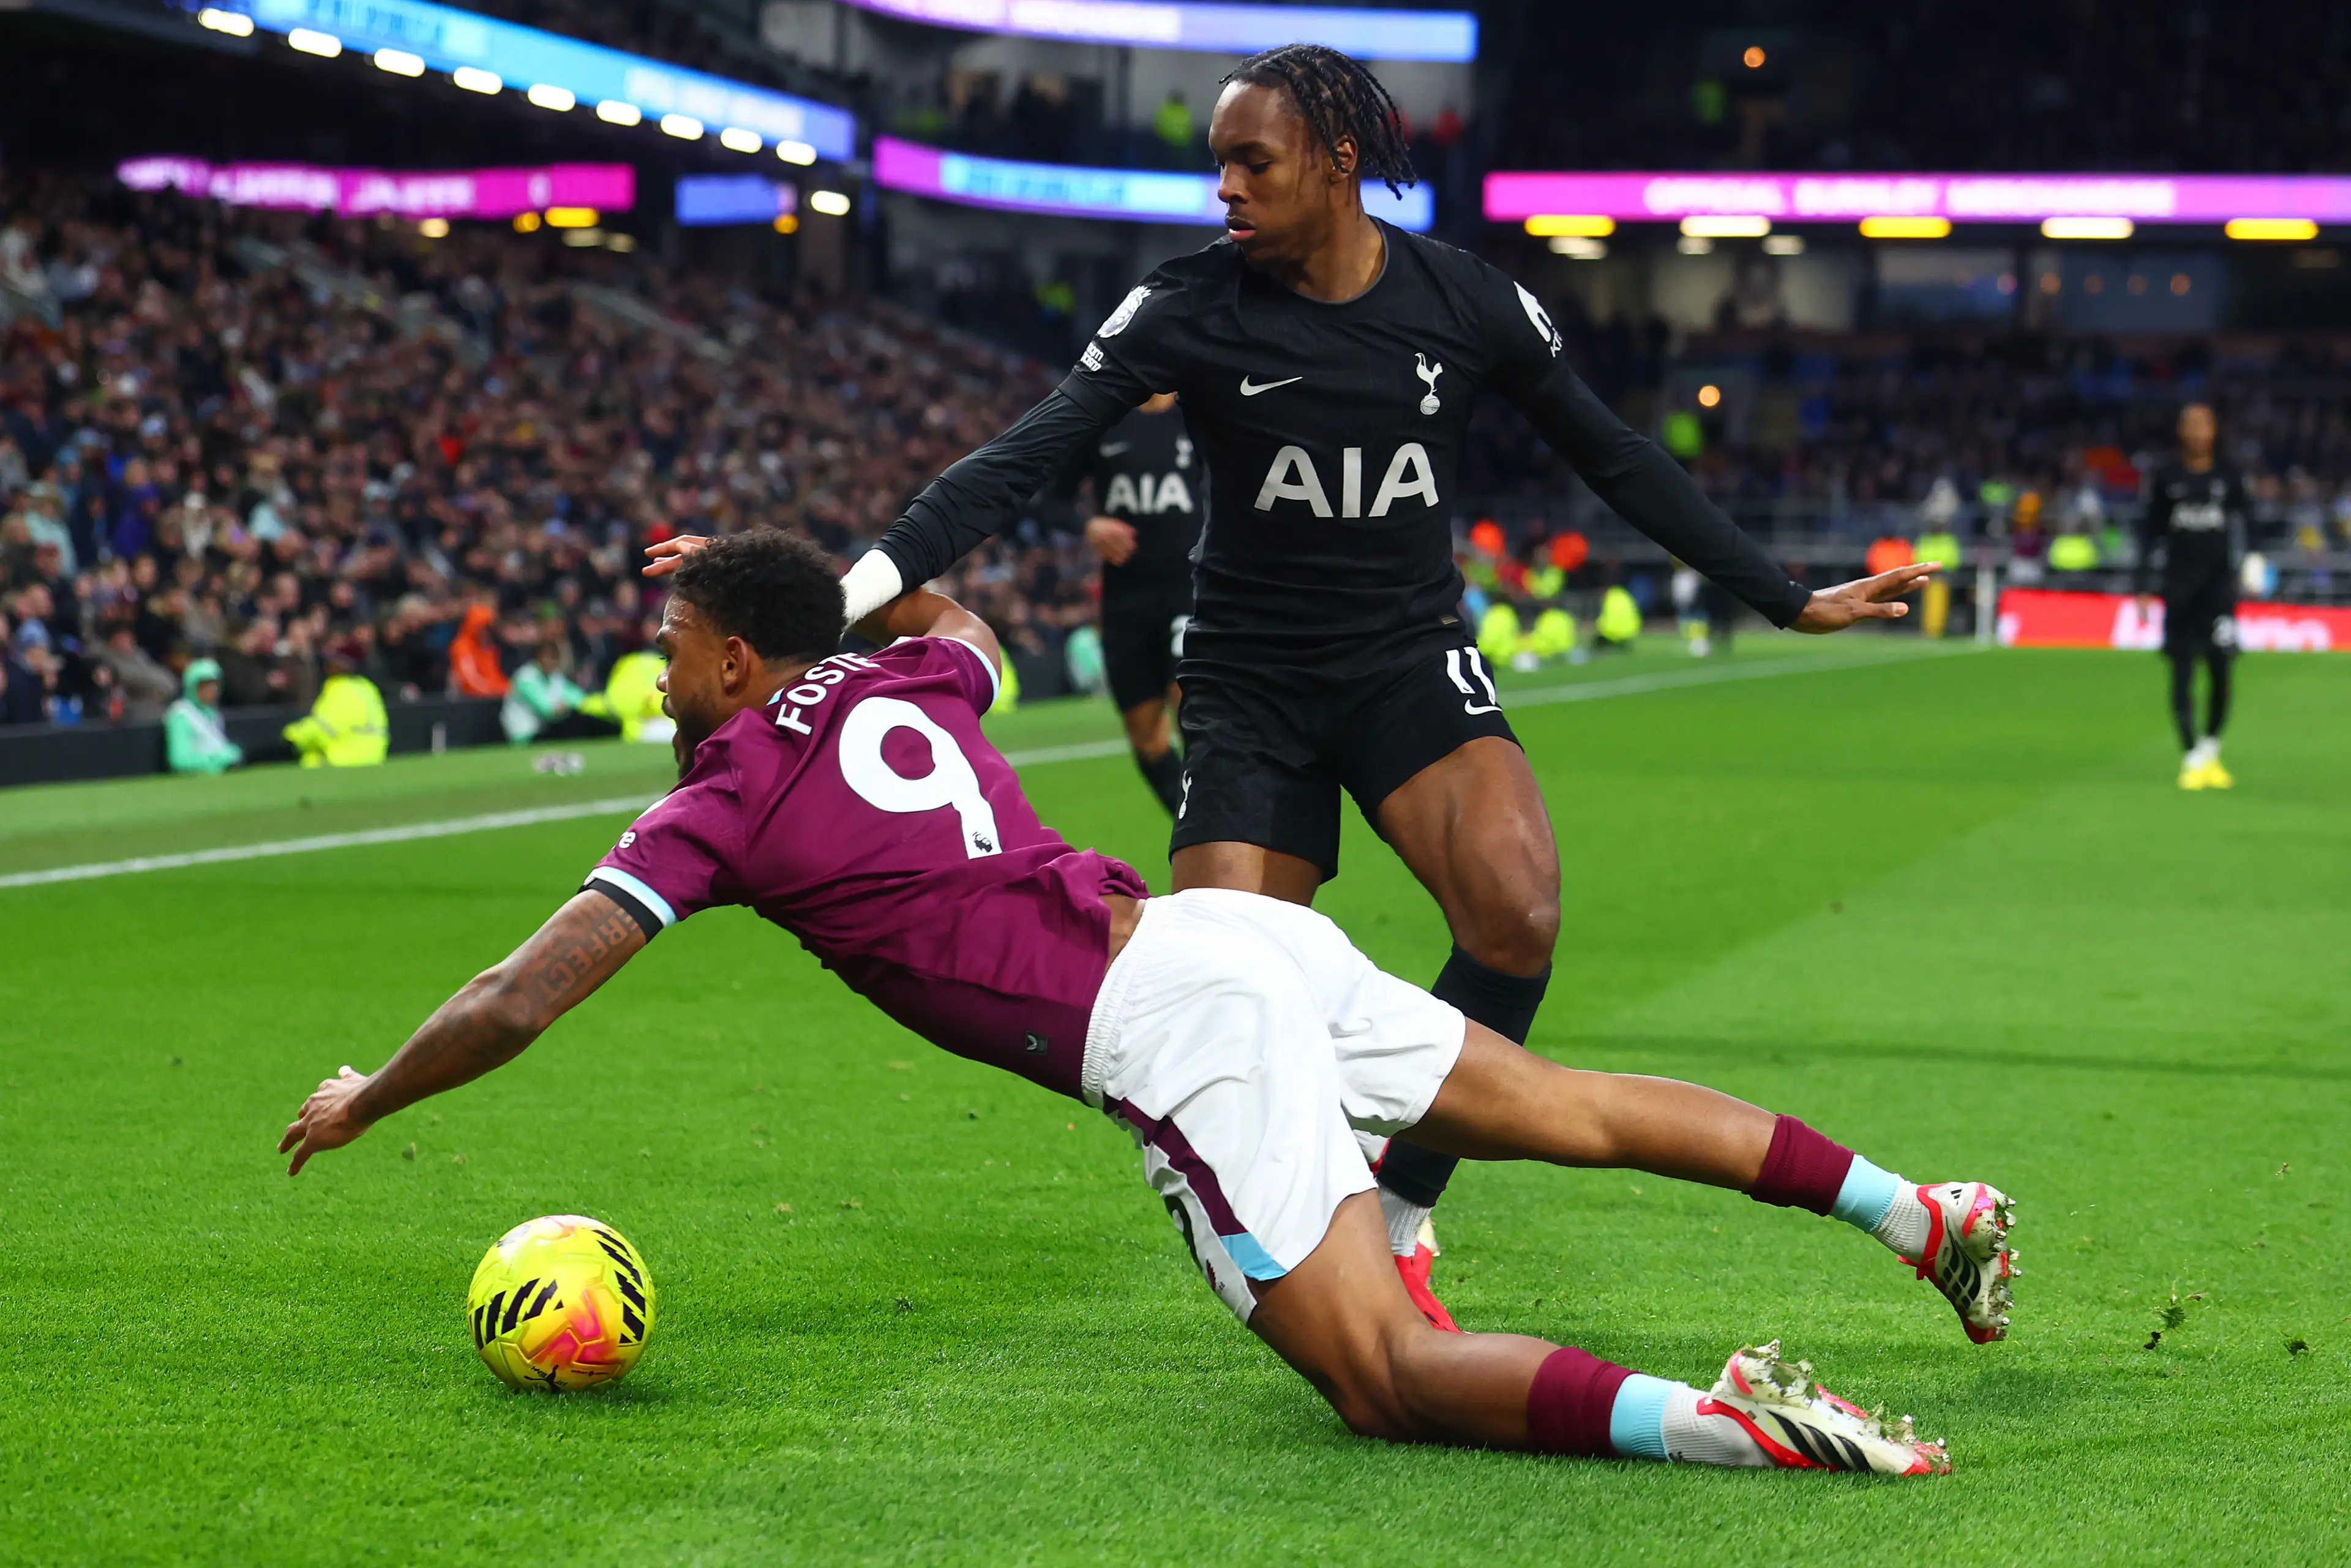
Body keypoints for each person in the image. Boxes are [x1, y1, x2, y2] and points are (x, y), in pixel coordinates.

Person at [664, 45, 1938, 1327]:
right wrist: (837, 598)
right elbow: (1021, 457)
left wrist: (1782, 592)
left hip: (1404, 657)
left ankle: (1400, 1213)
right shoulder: (1184, 307)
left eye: (1251, 162)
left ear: (1339, 161)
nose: (1225, 187)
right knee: (1229, 999)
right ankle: (1305, 1254)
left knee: (1519, 916)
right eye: (1218, 162)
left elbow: (1613, 453)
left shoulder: (1464, 300)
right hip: (1249, 683)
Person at [280, 532, 2012, 1475]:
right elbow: (958, 614)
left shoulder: (721, 794)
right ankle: (1913, 1207)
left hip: (1172, 1026)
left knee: (1383, 1379)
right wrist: (814, 574)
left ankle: (1730, 1427)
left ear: (735, 661)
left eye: (674, 642)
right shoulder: (910, 674)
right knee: (1568, 1105)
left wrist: (372, 1096)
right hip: (1229, 933)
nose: (658, 673)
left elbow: (520, 996)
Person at [1054, 391, 1203, 814]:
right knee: (1146, 738)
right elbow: (1051, 500)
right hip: (1127, 601)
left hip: (1189, 590)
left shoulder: (1197, 415)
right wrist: (1089, 526)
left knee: (1193, 712)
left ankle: (1216, 831)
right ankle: (1191, 823)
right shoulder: (1105, 420)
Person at [2135, 402, 2249, 790]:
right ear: (2181, 431)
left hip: (2219, 591)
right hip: (2179, 589)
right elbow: (2150, 531)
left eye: (2205, 424)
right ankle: (2190, 756)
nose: (2199, 432)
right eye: (2192, 425)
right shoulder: (2167, 476)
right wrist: (2144, 584)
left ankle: (2211, 749)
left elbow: (2247, 522)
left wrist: (2252, 561)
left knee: (2221, 669)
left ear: (2215, 430)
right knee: (2182, 671)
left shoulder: (2228, 475)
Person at [283, 640, 389, 768]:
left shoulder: (340, 690)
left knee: (310, 757)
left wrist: (290, 736)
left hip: (343, 760)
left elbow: (322, 729)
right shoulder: (366, 687)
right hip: (374, 757)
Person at [165, 656, 243, 774]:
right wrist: (216, 760)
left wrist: (230, 754)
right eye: (206, 685)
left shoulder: (213, 714)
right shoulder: (180, 714)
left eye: (215, 684)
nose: (213, 689)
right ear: (193, 686)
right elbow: (179, 761)